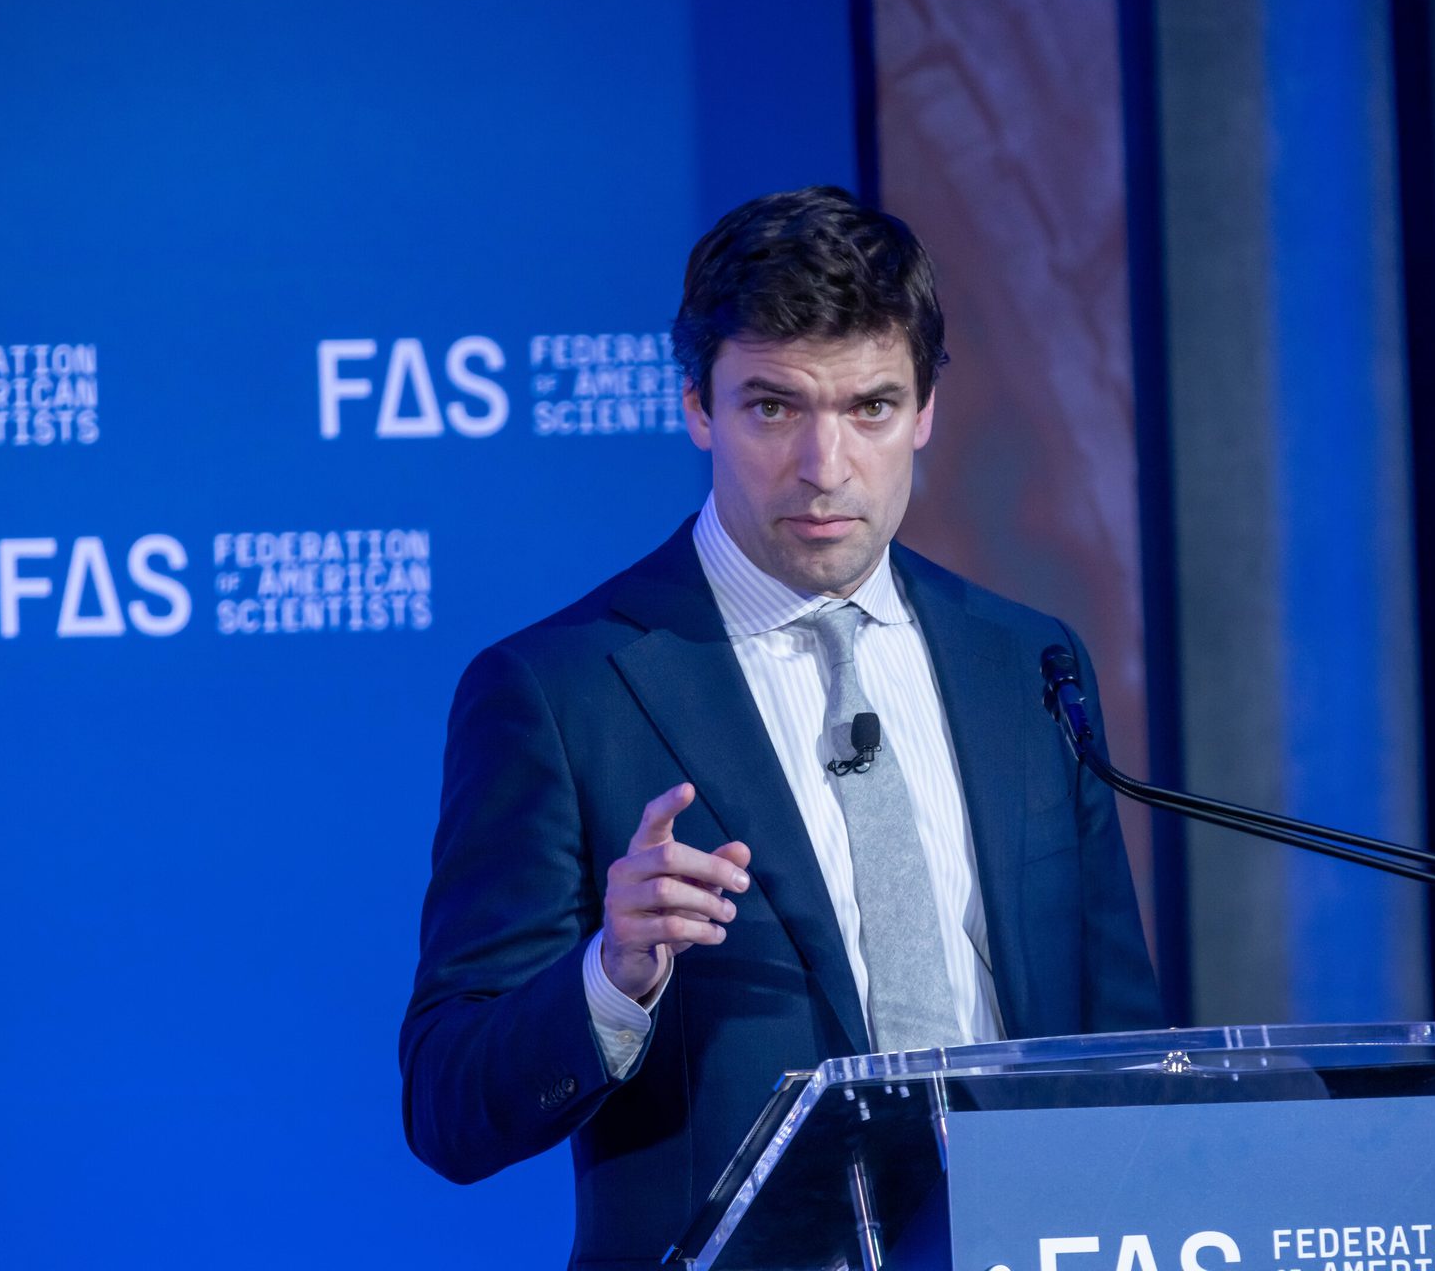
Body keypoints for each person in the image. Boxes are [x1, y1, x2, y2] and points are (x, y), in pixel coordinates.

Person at [399, 185, 1163, 1270]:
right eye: (772, 408)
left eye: (870, 407)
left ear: (927, 408)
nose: (825, 466)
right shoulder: (559, 688)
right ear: (698, 408)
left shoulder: (1022, 662)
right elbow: (448, 1103)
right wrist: (613, 973)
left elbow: (1119, 1043)